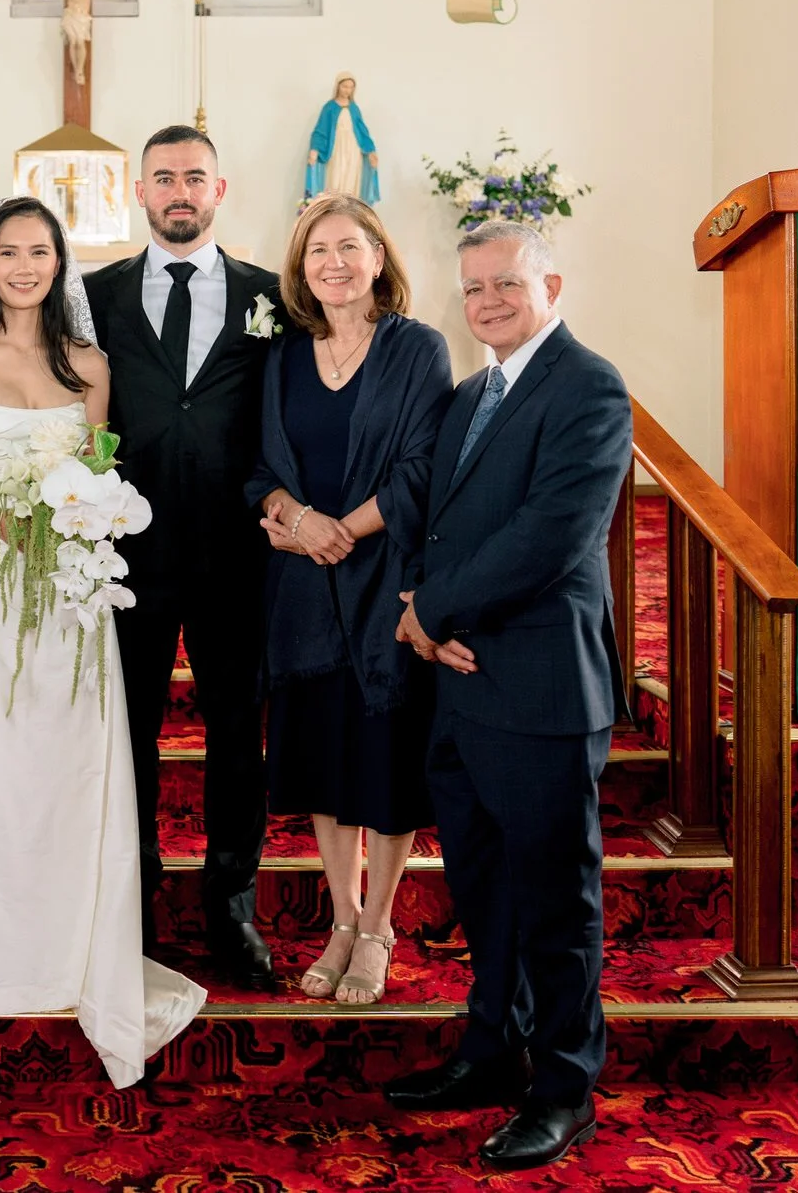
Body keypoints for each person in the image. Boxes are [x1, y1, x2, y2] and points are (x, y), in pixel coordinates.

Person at [0, 196, 205, 1088]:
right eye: (8, 252)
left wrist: (82, 524)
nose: (24, 266)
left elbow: (97, 471)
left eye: (40, 252)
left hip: (70, 595)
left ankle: (63, 943)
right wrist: (4, 523)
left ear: (60, 264)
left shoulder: (91, 366)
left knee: (58, 768)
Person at [382, 220, 632, 1170]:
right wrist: (419, 605)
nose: (487, 300)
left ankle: (565, 1086)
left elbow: (553, 535)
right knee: (484, 888)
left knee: (556, 901)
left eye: (507, 284)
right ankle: (492, 1050)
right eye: (474, 287)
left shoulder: (589, 388)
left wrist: (430, 612)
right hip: (459, 681)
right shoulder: (468, 394)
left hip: (537, 685)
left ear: (552, 284)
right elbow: (428, 517)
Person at [84, 127, 280, 987]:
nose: (178, 191)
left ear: (220, 188)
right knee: (127, 730)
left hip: (240, 555)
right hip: (127, 556)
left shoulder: (273, 295)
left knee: (240, 732)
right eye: (162, 177)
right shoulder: (91, 296)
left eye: (193, 177)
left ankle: (230, 901)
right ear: (139, 191)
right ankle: (134, 889)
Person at [246, 195, 451, 1006]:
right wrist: (296, 520)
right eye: (316, 250)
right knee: (323, 761)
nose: (333, 262)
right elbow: (259, 470)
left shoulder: (418, 349)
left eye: (349, 247)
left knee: (383, 760)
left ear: (378, 257)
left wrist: (343, 530)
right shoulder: (283, 358)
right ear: (300, 269)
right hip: (300, 585)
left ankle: (379, 928)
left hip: (381, 577)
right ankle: (340, 916)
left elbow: (422, 467)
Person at [304, 73, 381, 205]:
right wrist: (314, 149)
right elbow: (320, 130)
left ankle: (349, 211)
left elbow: (363, 132)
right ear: (338, 86)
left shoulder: (354, 108)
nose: (347, 90)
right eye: (345, 86)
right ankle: (333, 209)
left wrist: (371, 151)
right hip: (336, 148)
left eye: (350, 87)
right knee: (335, 179)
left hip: (353, 149)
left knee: (350, 182)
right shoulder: (329, 107)